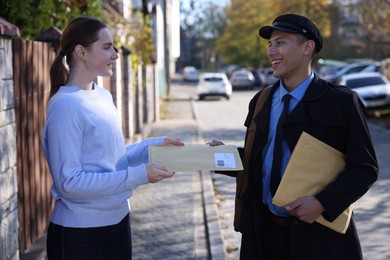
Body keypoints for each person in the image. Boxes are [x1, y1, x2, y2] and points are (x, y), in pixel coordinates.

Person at [208, 14, 378, 259]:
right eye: (270, 45)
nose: (271, 52)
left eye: (280, 43)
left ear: (307, 48)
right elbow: (259, 160)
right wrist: (221, 157)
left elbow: (365, 169)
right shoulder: (261, 100)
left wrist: (322, 203)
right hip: (264, 235)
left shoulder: (341, 102)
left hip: (318, 238)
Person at [42, 16, 184, 259]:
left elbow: (111, 160)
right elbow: (70, 184)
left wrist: (153, 146)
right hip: (80, 234)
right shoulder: (64, 106)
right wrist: (140, 175)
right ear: (81, 52)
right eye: (107, 47)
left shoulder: (103, 96)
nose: (116, 55)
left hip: (118, 222)